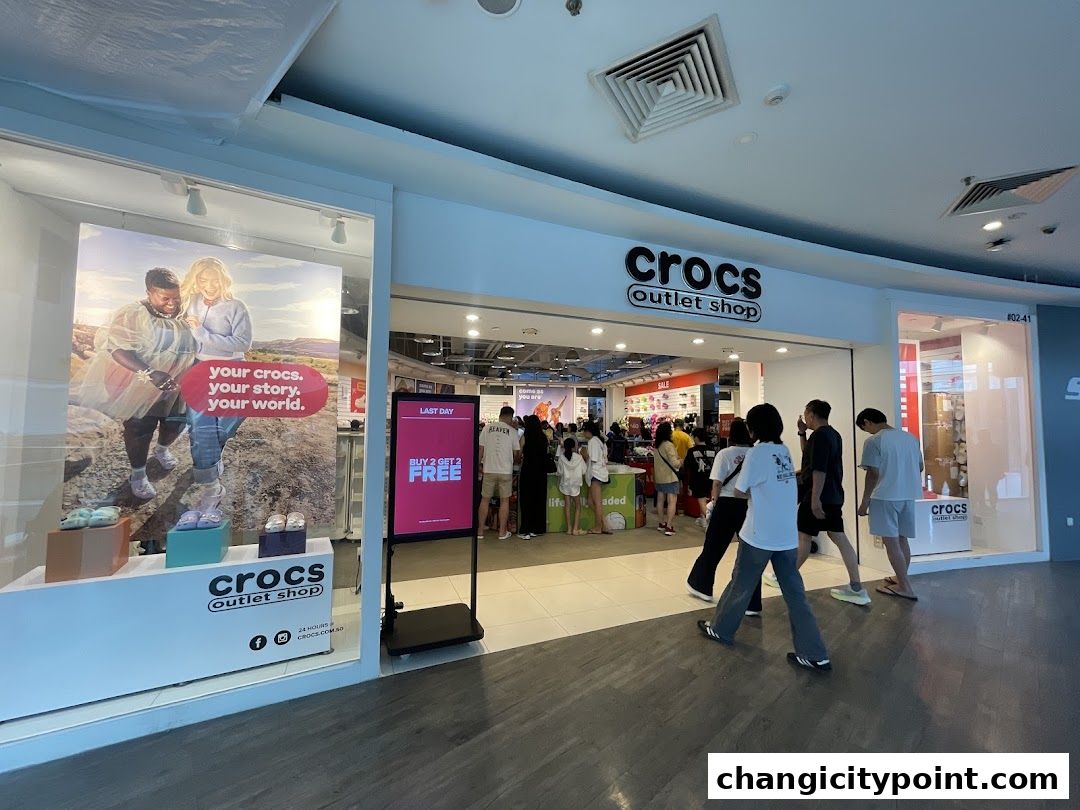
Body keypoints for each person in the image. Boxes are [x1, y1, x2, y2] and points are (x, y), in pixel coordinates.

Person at [697, 403, 831, 672]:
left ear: (754, 428)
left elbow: (739, 491)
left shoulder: (757, 453)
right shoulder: (784, 451)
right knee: (795, 594)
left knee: (740, 584)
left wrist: (757, 492)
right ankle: (815, 653)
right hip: (786, 536)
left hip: (758, 534)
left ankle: (721, 629)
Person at [78, 268, 197, 501]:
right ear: (149, 292)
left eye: (176, 297)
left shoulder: (184, 312)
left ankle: (162, 450)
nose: (172, 303)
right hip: (142, 379)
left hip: (179, 380)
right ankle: (138, 474)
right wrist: (151, 373)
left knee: (175, 422)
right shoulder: (132, 313)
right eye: (165, 298)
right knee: (140, 427)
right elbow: (118, 349)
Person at [765, 399, 870, 606]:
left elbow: (818, 470)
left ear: (812, 415)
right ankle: (857, 587)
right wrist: (801, 433)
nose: (805, 417)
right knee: (838, 537)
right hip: (833, 496)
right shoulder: (832, 435)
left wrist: (814, 500)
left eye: (806, 414)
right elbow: (810, 457)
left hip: (817, 496)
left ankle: (785, 577)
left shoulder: (820, 436)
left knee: (804, 537)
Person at [180, 257, 253, 509]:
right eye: (203, 279)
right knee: (200, 426)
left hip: (233, 370)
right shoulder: (190, 302)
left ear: (224, 280)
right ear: (196, 280)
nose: (209, 285)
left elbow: (243, 343)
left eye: (214, 280)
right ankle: (211, 486)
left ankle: (211, 457)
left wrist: (202, 334)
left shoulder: (236, 306)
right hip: (200, 369)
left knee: (225, 425)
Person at [686, 419, 761, 612]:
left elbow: (717, 483)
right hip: (750, 504)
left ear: (731, 434)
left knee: (713, 547)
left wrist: (714, 502)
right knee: (750, 553)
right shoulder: (756, 454)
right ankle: (751, 603)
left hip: (726, 504)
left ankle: (702, 586)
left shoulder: (725, 454)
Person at [856, 408, 923, 601]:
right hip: (908, 495)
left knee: (891, 542)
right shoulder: (910, 438)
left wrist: (864, 502)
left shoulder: (874, 441)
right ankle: (901, 578)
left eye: (865, 428)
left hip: (884, 496)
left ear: (867, 422)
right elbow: (919, 467)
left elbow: (873, 473)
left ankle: (904, 587)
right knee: (902, 540)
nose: (867, 432)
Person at [478, 406, 521, 540]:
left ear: (500, 415)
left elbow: (480, 449)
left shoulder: (487, 428)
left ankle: (480, 531)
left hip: (489, 469)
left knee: (485, 499)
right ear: (510, 417)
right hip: (505, 471)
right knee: (504, 501)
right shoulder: (512, 431)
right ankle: (502, 532)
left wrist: (478, 465)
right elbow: (517, 453)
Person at [517, 415, 548, 540]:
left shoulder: (525, 437)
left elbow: (519, 454)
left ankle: (526, 529)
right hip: (541, 472)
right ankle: (538, 528)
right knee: (539, 500)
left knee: (526, 500)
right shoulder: (543, 437)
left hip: (528, 471)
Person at [580, 421, 612, 535]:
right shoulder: (600, 441)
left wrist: (583, 454)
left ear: (589, 431)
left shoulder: (593, 441)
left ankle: (599, 527)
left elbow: (592, 459)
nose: (583, 433)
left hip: (595, 474)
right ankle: (605, 524)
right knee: (590, 501)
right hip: (599, 473)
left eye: (584, 431)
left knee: (597, 502)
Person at [652, 422, 682, 537]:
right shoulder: (668, 445)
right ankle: (669, 526)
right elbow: (675, 463)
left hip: (659, 478)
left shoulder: (657, 446)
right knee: (672, 501)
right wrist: (681, 461)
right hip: (670, 477)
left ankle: (661, 523)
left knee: (660, 500)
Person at [685, 428, 716, 529]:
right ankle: (703, 519)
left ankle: (710, 523)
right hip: (711, 479)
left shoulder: (692, 451)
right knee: (706, 500)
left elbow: (687, 465)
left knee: (701, 501)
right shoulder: (712, 450)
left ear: (696, 438)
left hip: (697, 479)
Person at [556, 437, 587, 536]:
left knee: (567, 506)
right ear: (574, 447)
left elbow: (559, 472)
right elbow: (584, 470)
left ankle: (569, 529)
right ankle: (575, 529)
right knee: (578, 506)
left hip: (565, 483)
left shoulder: (561, 458)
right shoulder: (579, 457)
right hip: (576, 484)